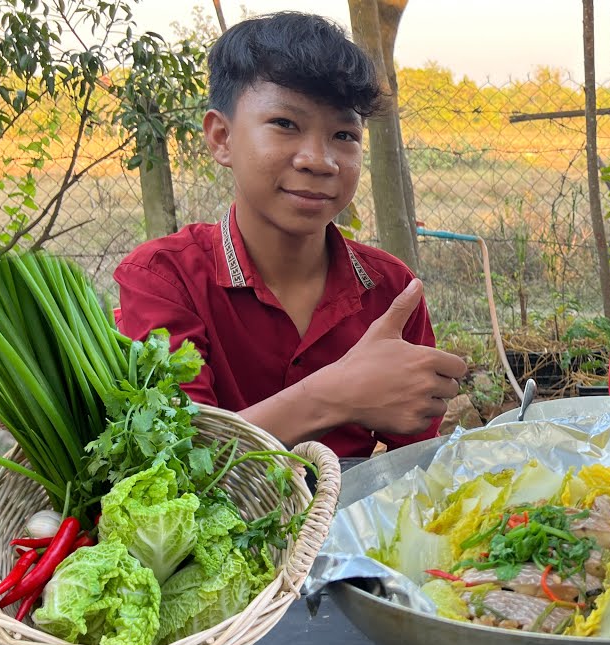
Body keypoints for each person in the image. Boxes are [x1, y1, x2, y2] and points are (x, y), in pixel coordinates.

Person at [114, 12, 467, 458]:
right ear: (221, 138)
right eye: (285, 124)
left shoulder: (391, 290)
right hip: (216, 507)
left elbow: (414, 465)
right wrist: (338, 394)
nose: (319, 160)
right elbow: (176, 455)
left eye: (344, 134)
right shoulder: (164, 279)